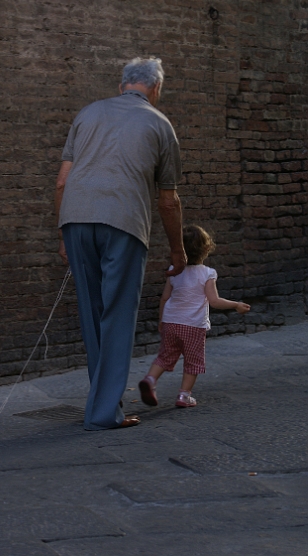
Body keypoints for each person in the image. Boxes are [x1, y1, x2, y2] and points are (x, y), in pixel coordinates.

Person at [55, 57, 187, 431]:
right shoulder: (160, 124)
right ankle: (103, 413)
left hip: (76, 220)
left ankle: (103, 404)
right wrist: (177, 250)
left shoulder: (87, 114)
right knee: (117, 316)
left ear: (121, 85)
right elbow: (168, 201)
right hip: (124, 223)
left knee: (93, 315)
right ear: (156, 89)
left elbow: (62, 181)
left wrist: (64, 234)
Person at [138, 224, 251, 408]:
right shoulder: (207, 273)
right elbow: (214, 301)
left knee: (165, 356)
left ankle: (150, 379)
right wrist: (236, 305)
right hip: (193, 326)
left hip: (170, 322)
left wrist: (161, 320)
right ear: (206, 249)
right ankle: (184, 396)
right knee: (193, 361)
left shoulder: (174, 270)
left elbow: (165, 298)